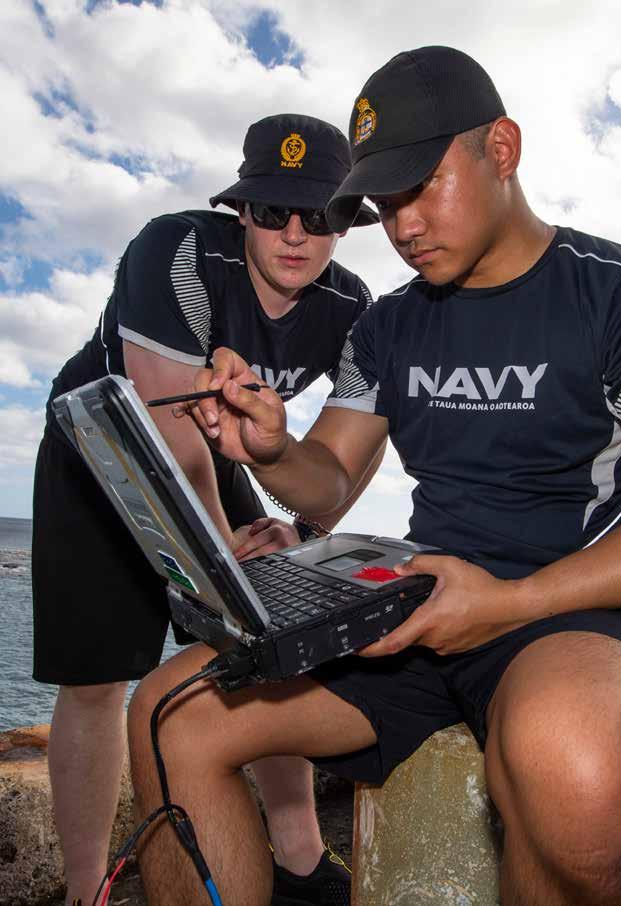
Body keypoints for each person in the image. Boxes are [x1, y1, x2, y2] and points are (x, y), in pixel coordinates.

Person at [127, 47, 621, 906]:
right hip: (414, 606)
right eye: (385, 206)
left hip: (565, 607)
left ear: (502, 149)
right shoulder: (386, 326)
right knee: (168, 714)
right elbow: (330, 481)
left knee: (584, 782)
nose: (404, 226)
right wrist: (270, 449)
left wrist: (509, 604)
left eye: (420, 187)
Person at [32, 113, 382, 906]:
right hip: (103, 444)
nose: (295, 234)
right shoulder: (178, 250)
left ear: (345, 223)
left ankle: (299, 858)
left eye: (320, 215)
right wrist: (230, 573)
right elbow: (168, 434)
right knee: (96, 679)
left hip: (216, 449)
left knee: (268, 645)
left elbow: (358, 442)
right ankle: (87, 890)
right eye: (274, 210)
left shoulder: (352, 305)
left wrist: (306, 531)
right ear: (242, 209)